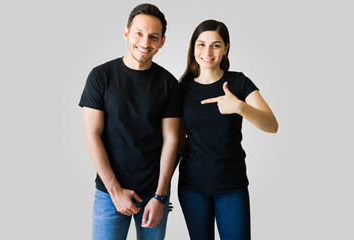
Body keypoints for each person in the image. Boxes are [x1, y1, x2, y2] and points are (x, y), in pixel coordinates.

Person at [79, 3, 181, 240]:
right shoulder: (100, 76)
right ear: (126, 33)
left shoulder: (168, 84)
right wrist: (115, 192)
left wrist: (160, 196)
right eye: (139, 33)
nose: (145, 43)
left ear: (162, 41)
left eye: (154, 37)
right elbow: (91, 134)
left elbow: (172, 140)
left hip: (153, 195)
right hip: (108, 193)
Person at [177, 19, 279, 240]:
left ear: (226, 49)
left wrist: (240, 107)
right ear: (193, 47)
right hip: (193, 187)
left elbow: (272, 125)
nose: (207, 51)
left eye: (216, 45)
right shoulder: (181, 89)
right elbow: (171, 140)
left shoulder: (239, 82)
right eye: (201, 44)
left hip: (231, 187)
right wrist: (160, 191)